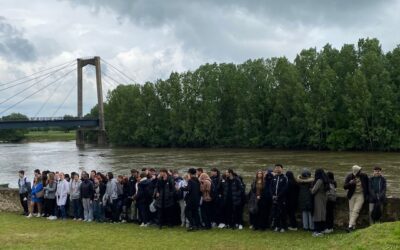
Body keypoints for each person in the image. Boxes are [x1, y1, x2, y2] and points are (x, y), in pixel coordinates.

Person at [344, 165, 369, 232]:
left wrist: (367, 195)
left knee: (356, 210)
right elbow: (345, 187)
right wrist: (350, 183)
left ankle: (349, 226)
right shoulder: (349, 176)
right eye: (359, 171)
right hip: (352, 195)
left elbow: (368, 185)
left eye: (360, 170)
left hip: (360, 195)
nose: (360, 172)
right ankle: (353, 227)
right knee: (351, 211)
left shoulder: (364, 176)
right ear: (356, 171)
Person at [311, 169, 329, 237]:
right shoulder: (326, 180)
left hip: (318, 198)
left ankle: (317, 231)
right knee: (322, 214)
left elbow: (313, 190)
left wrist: (311, 189)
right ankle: (322, 230)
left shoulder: (319, 180)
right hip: (324, 198)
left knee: (317, 214)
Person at [270, 164, 288, 232]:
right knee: (275, 213)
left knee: (282, 213)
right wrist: (272, 195)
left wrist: (279, 195)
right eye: (276, 168)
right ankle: (276, 226)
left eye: (279, 168)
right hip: (274, 198)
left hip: (282, 198)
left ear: (282, 169)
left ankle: (283, 227)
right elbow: (271, 187)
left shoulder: (284, 177)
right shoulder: (274, 177)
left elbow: (285, 188)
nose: (277, 169)